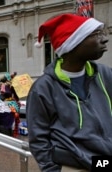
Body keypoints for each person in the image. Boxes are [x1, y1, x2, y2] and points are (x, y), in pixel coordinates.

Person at [26, 13, 110, 172]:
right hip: (72, 165)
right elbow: (38, 139)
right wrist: (53, 170)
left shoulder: (105, 75)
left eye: (102, 33)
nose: (104, 39)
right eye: (95, 34)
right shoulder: (43, 88)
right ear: (73, 44)